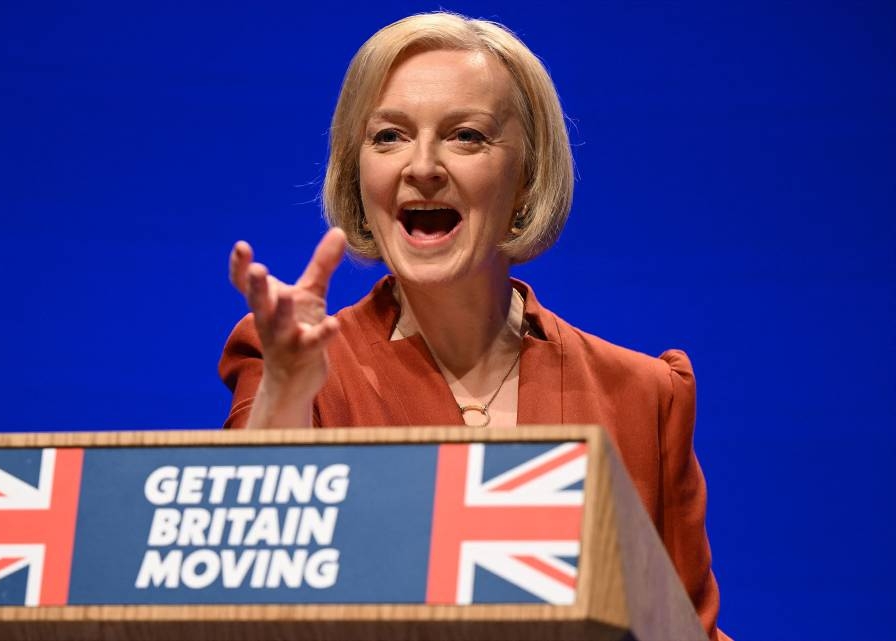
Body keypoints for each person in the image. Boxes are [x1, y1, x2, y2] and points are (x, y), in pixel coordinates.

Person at [219, 12, 729, 640]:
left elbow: (686, 630)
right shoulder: (300, 371)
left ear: (527, 178)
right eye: (388, 137)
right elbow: (245, 572)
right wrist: (288, 391)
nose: (422, 165)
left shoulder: (643, 395)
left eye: (465, 136)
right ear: (358, 173)